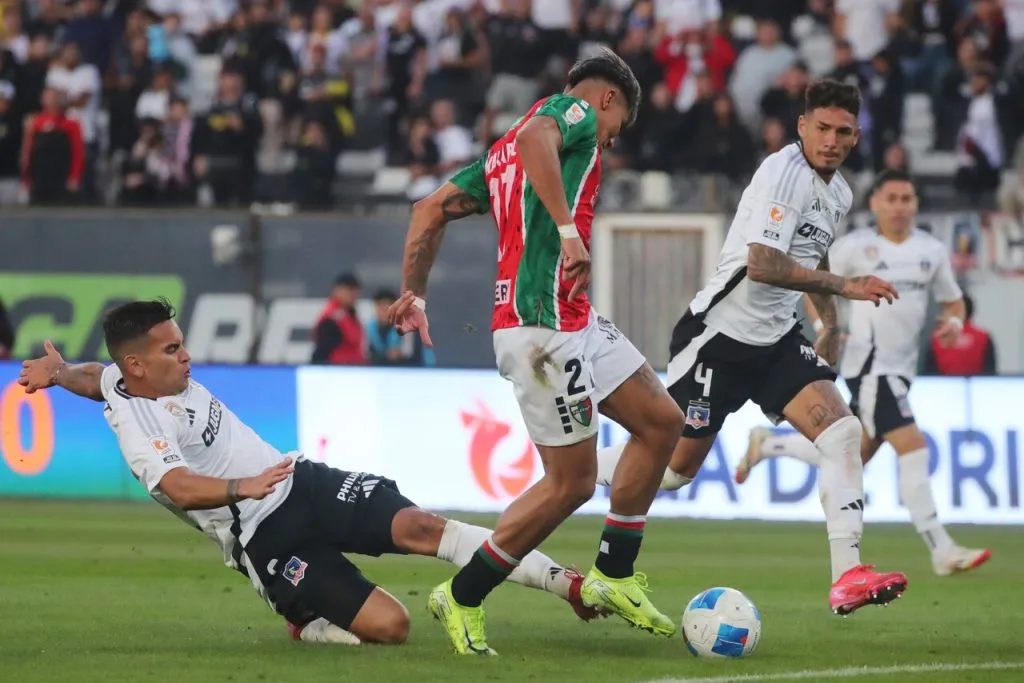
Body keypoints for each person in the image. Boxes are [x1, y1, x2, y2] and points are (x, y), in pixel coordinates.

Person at [16, 299, 599, 646]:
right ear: (140, 363)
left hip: (300, 481)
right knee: (391, 628)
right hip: (263, 534)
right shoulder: (139, 431)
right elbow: (177, 487)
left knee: (422, 527)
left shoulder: (126, 378)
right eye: (172, 351)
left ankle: (566, 583)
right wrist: (243, 487)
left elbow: (102, 379)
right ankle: (306, 621)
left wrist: (62, 373)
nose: (187, 356)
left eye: (182, 344)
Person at [387, 49, 685, 654]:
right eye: (617, 124)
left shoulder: (498, 156)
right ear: (607, 99)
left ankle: (615, 573)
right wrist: (570, 232)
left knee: (662, 421)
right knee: (570, 483)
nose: (610, 137)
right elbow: (537, 139)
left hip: (573, 319)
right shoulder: (566, 113)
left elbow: (428, 210)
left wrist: (413, 293)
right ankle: (463, 594)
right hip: (541, 328)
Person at [595, 79, 909, 616]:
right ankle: (580, 467)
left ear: (856, 137)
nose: (832, 140)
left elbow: (815, 254)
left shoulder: (839, 192)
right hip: (719, 339)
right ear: (802, 126)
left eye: (844, 132)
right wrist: (848, 290)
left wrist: (827, 323)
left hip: (775, 342)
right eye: (824, 128)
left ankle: (848, 575)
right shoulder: (780, 173)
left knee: (843, 432)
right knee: (671, 472)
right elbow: (762, 263)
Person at [735, 170, 992, 577]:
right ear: (874, 204)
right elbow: (812, 281)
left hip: (902, 371)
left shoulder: (931, 251)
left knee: (848, 454)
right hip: (870, 366)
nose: (899, 206)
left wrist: (956, 324)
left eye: (906, 198)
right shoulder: (855, 248)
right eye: (890, 198)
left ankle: (768, 446)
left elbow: (953, 302)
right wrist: (825, 329)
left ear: (916, 205)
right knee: (913, 446)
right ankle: (941, 548)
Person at [922, 294, 997, 376]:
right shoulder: (983, 337)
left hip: (944, 386)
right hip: (975, 386)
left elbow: (929, 372)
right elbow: (990, 371)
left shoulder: (938, 337)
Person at [311, 273, 367, 365]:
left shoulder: (350, 314)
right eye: (349, 290)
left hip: (354, 369)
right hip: (338, 371)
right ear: (337, 290)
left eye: (355, 290)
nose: (353, 294)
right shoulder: (331, 319)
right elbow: (323, 352)